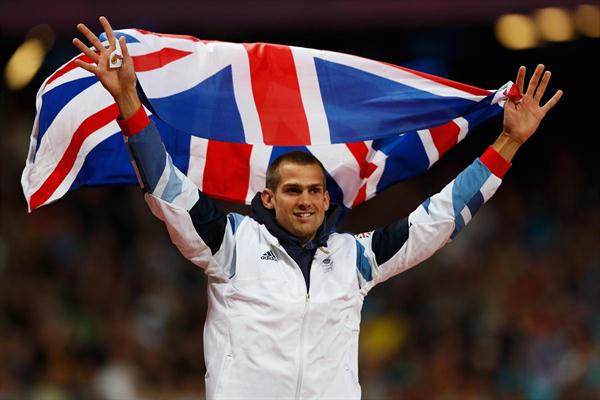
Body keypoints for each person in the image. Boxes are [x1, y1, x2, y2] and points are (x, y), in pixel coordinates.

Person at [73, 16, 562, 399]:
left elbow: (440, 217)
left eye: (313, 190)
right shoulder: (232, 247)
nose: (304, 199)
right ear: (268, 198)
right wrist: (130, 102)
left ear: (328, 198)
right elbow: (167, 188)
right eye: (291, 190)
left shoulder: (357, 259)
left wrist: (507, 143)